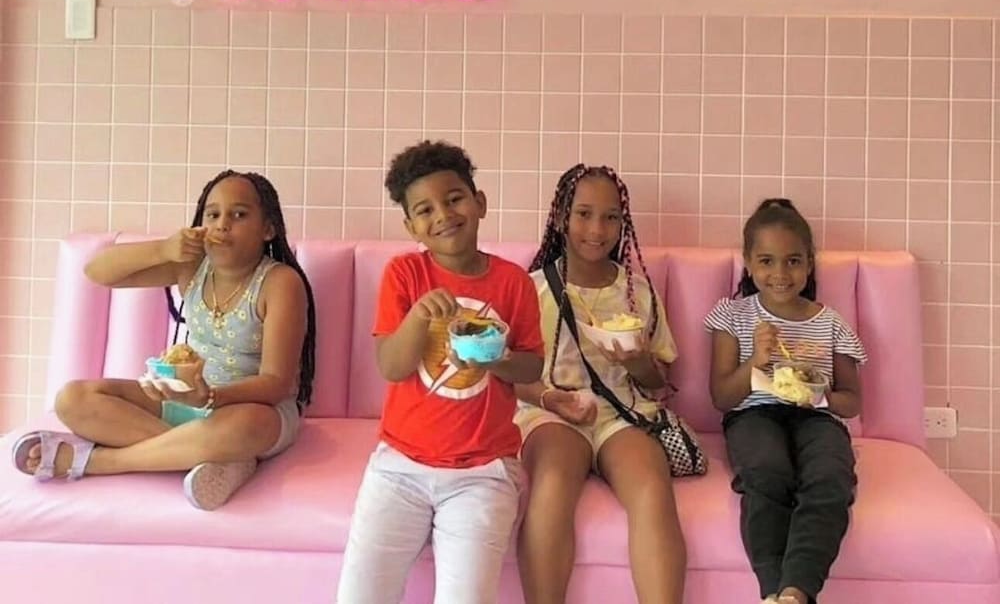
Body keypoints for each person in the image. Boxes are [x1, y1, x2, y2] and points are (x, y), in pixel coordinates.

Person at [12, 169, 316, 511]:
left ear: (268, 229)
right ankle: (216, 459)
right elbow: (96, 272)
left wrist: (212, 397)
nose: (222, 224)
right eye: (213, 215)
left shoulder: (280, 283)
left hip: (250, 410)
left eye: (239, 215)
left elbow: (276, 383)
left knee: (246, 426)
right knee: (73, 399)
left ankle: (97, 461)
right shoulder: (192, 267)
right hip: (185, 400)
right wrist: (163, 249)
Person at [337, 140, 544, 604]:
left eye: (454, 199)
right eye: (425, 210)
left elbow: (532, 366)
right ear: (412, 227)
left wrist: (495, 360)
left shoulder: (514, 282)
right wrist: (418, 317)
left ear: (479, 203)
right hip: (399, 466)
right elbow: (392, 367)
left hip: (484, 472)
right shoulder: (404, 274)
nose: (444, 215)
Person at [515, 164, 686, 604]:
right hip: (549, 411)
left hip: (620, 414)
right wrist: (550, 398)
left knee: (651, 487)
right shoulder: (532, 289)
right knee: (553, 480)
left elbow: (659, 385)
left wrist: (639, 362)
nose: (597, 229)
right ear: (561, 218)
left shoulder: (637, 292)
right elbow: (510, 376)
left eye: (611, 217)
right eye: (584, 214)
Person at [705, 198, 867, 604]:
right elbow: (722, 397)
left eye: (793, 261)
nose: (780, 274)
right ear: (748, 263)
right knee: (766, 472)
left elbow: (852, 402)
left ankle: (796, 592)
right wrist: (755, 362)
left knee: (829, 478)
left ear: (809, 263)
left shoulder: (831, 323)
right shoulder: (733, 316)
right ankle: (773, 590)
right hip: (753, 415)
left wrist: (821, 395)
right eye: (766, 261)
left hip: (818, 418)